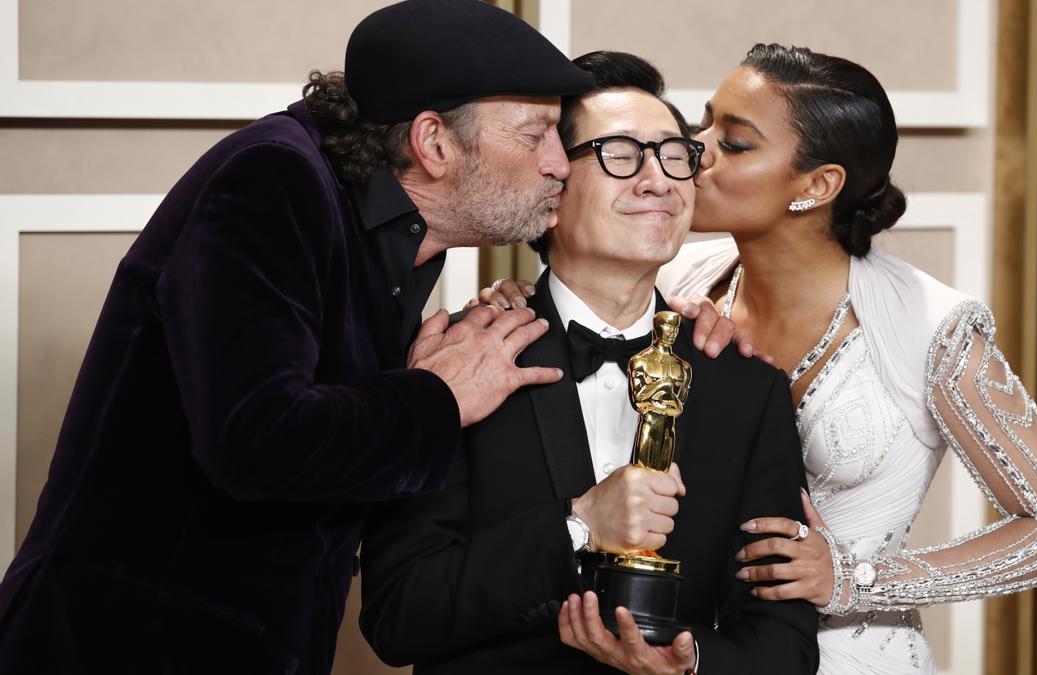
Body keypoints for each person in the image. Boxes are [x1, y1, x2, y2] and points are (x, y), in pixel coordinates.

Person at [0, 2, 594, 673]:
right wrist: (435, 396)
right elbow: (255, 437)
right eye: (535, 134)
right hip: (117, 644)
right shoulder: (273, 180)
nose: (560, 164)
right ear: (433, 143)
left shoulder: (405, 233)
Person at [485, 44, 1037, 673]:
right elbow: (590, 309)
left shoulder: (930, 326)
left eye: (734, 142)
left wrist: (857, 579)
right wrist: (514, 303)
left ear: (816, 185)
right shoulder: (688, 284)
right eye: (703, 125)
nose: (692, 154)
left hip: (852, 653)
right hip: (695, 651)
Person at [358, 51, 819, 675]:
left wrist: (685, 664)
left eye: (673, 154)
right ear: (550, 182)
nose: (657, 180)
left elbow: (783, 641)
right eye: (620, 153)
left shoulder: (746, 382)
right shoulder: (458, 366)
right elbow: (399, 615)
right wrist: (577, 526)